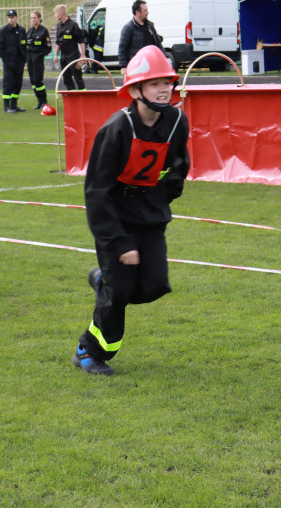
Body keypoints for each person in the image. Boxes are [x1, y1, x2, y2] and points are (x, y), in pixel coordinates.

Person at [72, 45, 190, 376]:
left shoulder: (177, 120)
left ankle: (103, 283)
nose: (164, 89)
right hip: (115, 217)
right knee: (121, 290)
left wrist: (162, 199)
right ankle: (90, 351)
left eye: (167, 81)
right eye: (155, 83)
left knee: (154, 285)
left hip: (150, 215)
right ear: (135, 90)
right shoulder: (116, 129)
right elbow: (96, 192)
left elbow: (179, 164)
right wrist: (119, 241)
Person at [0, 9, 27, 113]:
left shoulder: (22, 30)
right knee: (8, 83)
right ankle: (6, 106)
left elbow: (24, 45)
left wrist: (24, 58)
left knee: (18, 84)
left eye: (12, 17)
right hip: (9, 62)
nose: (10, 19)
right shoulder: (4, 30)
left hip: (19, 62)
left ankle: (14, 105)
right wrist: (6, 60)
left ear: (16, 17)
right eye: (9, 17)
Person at [118, 0, 162, 69]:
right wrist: (123, 66)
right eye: (145, 11)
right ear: (137, 12)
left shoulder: (150, 25)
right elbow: (122, 47)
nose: (148, 12)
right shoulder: (128, 28)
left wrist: (164, 58)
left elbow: (158, 44)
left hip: (152, 64)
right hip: (137, 66)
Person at [54, 4, 87, 91]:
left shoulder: (73, 25)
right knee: (67, 79)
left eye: (56, 13)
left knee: (78, 77)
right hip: (64, 57)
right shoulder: (59, 26)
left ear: (61, 14)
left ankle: (84, 96)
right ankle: (73, 97)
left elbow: (81, 41)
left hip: (74, 56)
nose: (55, 16)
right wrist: (56, 55)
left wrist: (83, 55)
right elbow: (58, 42)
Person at [24, 10, 52, 109]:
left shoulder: (44, 31)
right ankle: (39, 101)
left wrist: (39, 55)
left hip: (38, 60)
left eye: (34, 18)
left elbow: (48, 47)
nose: (33, 20)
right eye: (31, 18)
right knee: (32, 81)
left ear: (39, 19)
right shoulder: (30, 31)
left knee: (38, 80)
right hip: (30, 60)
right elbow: (26, 45)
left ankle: (44, 101)